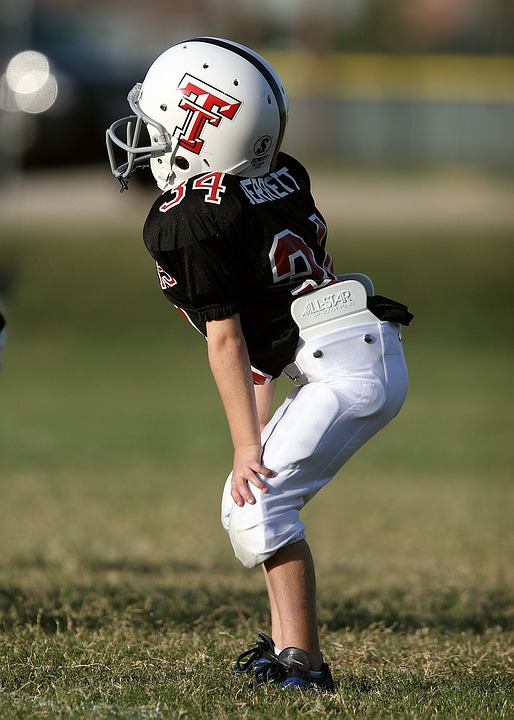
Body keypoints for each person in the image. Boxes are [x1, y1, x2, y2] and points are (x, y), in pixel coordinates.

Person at [106, 36, 412, 691]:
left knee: (259, 511)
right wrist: (250, 445)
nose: (148, 137)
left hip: (346, 366)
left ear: (201, 127)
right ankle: (285, 650)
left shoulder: (191, 216)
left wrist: (249, 444)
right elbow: (264, 346)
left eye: (162, 121)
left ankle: (304, 665)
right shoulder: (278, 177)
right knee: (250, 501)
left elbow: (229, 341)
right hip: (351, 348)